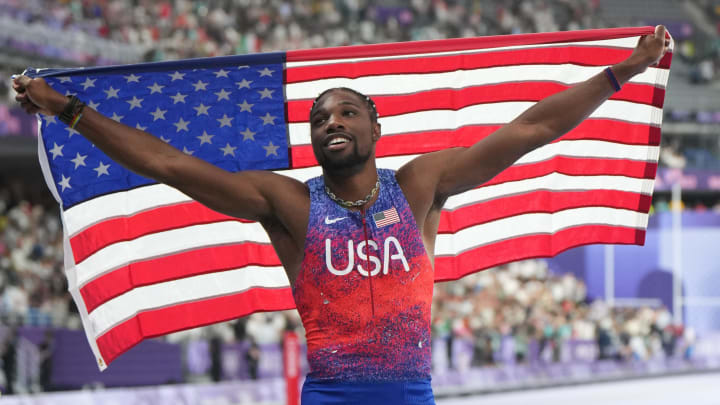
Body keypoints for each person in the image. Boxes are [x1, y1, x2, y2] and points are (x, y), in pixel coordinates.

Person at [13, 26, 669, 404]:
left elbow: (530, 127)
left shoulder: (419, 185)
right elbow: (170, 165)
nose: (332, 122)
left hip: (412, 395)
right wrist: (70, 111)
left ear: (375, 127)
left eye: (347, 111)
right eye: (320, 116)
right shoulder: (289, 202)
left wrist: (624, 71)